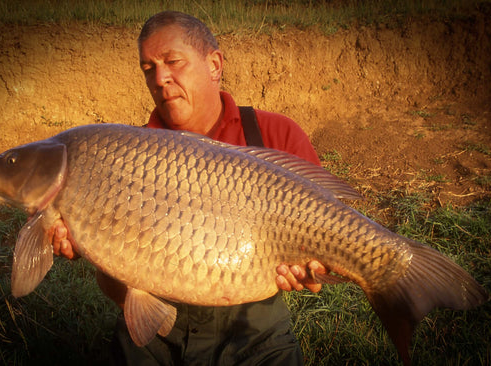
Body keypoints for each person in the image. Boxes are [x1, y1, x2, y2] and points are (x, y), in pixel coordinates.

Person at [52, 11, 327, 365]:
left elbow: (321, 257)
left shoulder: (276, 135)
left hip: (254, 333)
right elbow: (117, 291)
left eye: (172, 61)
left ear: (214, 64)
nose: (160, 78)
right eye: (148, 68)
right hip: (157, 337)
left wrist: (314, 272)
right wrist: (92, 244)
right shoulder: (126, 159)